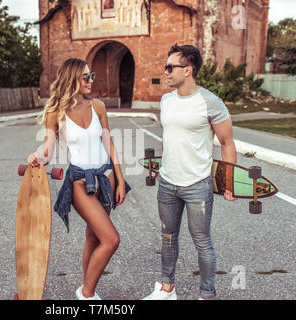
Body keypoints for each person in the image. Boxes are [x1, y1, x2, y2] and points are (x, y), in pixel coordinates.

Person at [27, 58, 131, 300]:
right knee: (111, 239)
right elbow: (48, 152)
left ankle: (88, 285)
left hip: (106, 179)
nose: (90, 81)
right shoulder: (57, 113)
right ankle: (87, 294)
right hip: (80, 183)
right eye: (86, 77)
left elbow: (108, 142)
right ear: (72, 78)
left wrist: (120, 178)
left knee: (94, 236)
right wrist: (37, 158)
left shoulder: (98, 107)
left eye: (91, 76)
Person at [142, 44, 237, 300]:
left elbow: (227, 143)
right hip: (168, 184)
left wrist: (229, 183)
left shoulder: (210, 102)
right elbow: (169, 137)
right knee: (167, 237)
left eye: (171, 67)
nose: (166, 72)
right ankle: (166, 288)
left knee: (202, 242)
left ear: (188, 70)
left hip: (197, 184)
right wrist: (163, 166)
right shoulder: (166, 100)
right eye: (166, 67)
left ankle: (207, 294)